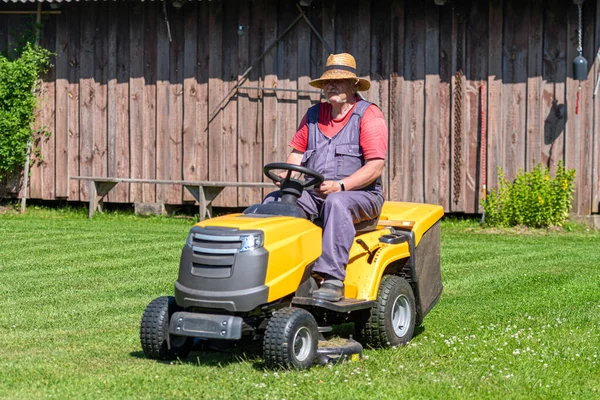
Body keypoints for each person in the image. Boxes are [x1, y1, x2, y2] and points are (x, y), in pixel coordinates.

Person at [264, 53, 388, 302]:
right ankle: (275, 271)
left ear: (353, 85)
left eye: (339, 81)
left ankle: (331, 279)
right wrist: (287, 178)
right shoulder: (312, 116)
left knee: (336, 202)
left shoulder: (369, 115)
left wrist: (341, 186)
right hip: (313, 193)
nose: (331, 86)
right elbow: (296, 157)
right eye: (327, 82)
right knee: (274, 203)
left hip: (361, 196)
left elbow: (375, 167)